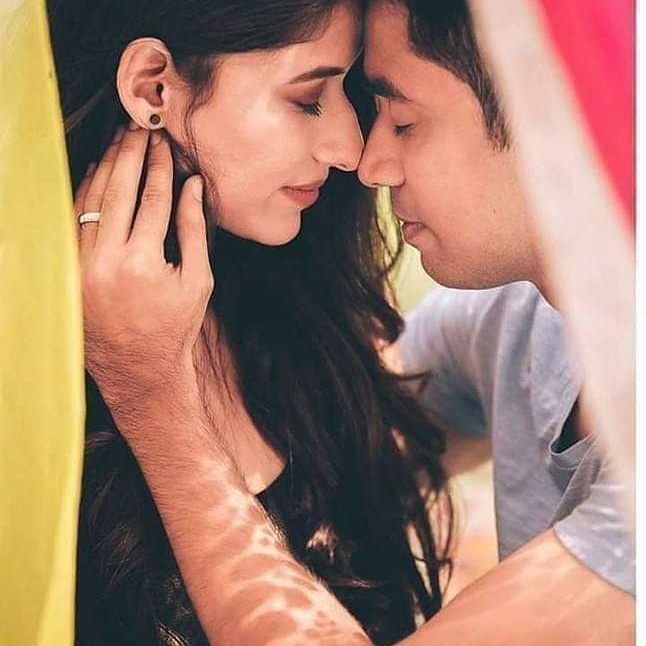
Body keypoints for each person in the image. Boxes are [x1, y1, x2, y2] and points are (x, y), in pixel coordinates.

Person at [62, 1, 635, 646]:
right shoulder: (517, 321)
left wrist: (155, 401)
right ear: (151, 89)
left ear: (548, 119)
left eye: (405, 121)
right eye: (311, 99)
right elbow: (377, 430)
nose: (361, 158)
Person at [47, 1, 456, 644]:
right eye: (307, 99)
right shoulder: (35, 370)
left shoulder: (292, 304)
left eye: (348, 92)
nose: (351, 148)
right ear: (152, 87)